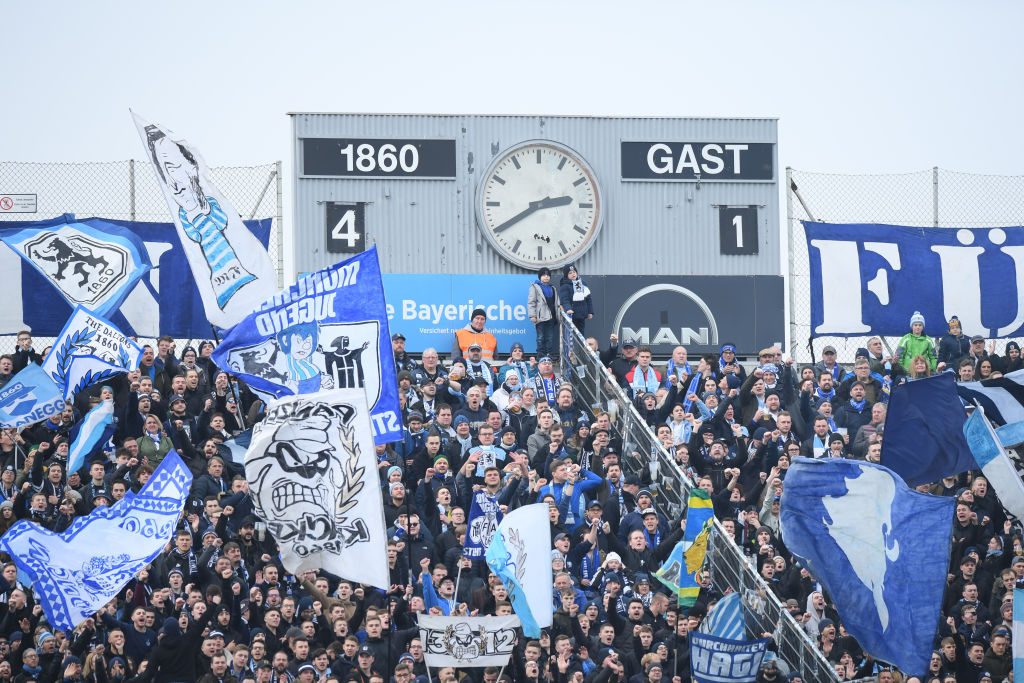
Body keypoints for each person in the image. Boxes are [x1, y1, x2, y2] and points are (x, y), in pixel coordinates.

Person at [528, 267, 559, 361]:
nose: (546, 277)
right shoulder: (535, 287)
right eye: (544, 275)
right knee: (540, 337)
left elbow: (557, 302)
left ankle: (549, 353)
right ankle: (540, 354)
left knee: (550, 337)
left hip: (551, 316)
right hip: (540, 316)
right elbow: (531, 302)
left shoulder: (553, 288)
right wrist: (532, 315)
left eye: (548, 275)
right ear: (540, 277)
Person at [558, 264, 593, 334]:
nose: (573, 274)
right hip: (571, 315)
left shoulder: (583, 283)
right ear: (566, 275)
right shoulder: (565, 286)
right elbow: (565, 300)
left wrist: (590, 312)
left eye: (574, 272)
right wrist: (568, 309)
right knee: (570, 335)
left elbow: (588, 299)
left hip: (582, 315)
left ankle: (581, 345)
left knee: (581, 334)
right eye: (570, 273)